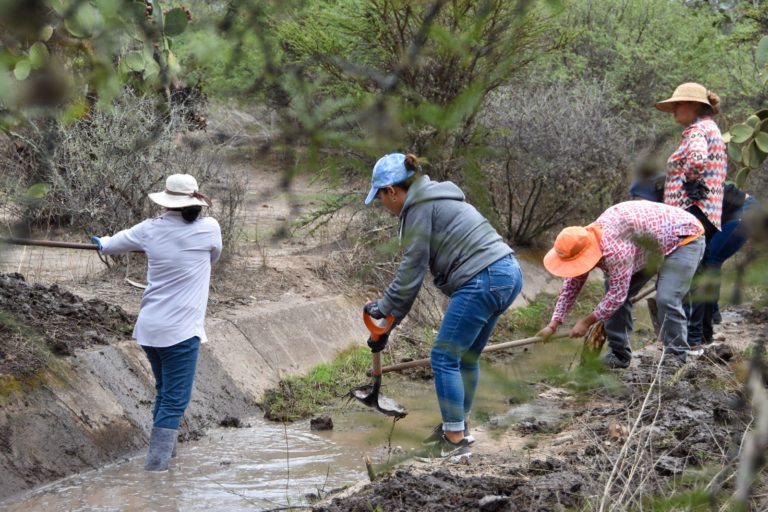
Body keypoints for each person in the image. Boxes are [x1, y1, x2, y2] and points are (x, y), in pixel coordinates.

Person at [362, 153, 522, 458]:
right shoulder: (436, 195)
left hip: (483, 277)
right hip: (508, 273)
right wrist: (386, 328)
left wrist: (383, 309)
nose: (383, 206)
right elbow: (410, 284)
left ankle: (454, 439)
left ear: (392, 191)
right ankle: (458, 427)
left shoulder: (418, 207)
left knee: (444, 357)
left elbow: (411, 273)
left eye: (380, 197)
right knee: (466, 357)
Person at [91, 174, 222, 472]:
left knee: (165, 394)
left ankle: (165, 463)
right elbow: (214, 256)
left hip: (149, 329)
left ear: (166, 200)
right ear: (195, 201)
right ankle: (156, 471)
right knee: (174, 401)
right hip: (181, 331)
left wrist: (102, 243)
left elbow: (110, 245)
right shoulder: (210, 229)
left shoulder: (148, 230)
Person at [536, 201, 705, 368]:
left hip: (684, 237)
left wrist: (586, 322)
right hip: (646, 244)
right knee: (612, 293)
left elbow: (617, 296)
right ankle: (619, 355)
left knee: (666, 298)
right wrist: (554, 324)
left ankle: (676, 357)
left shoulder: (614, 250)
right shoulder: (580, 241)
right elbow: (571, 287)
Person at [630, 175, 760, 345]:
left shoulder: (677, 199)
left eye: (639, 199)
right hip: (725, 216)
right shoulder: (664, 200)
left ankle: (707, 322)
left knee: (711, 260)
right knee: (707, 261)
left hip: (746, 211)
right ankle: (710, 319)